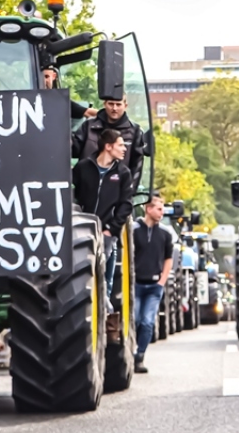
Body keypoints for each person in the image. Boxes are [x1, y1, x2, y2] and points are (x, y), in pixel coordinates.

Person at [71, 129, 132, 326]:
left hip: (106, 233)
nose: (124, 148)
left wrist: (111, 230)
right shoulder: (82, 168)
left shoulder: (123, 173)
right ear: (108, 146)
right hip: (80, 232)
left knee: (105, 277)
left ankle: (105, 318)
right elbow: (71, 195)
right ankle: (93, 316)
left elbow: (126, 205)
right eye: (121, 144)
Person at [131, 193, 174, 373]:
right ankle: (129, 352)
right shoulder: (133, 230)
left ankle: (140, 356)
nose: (162, 212)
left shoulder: (165, 233)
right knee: (135, 320)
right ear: (148, 209)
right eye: (158, 208)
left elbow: (168, 259)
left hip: (153, 287)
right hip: (135, 285)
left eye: (163, 208)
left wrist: (162, 281)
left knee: (148, 322)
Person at [73, 95, 147, 188]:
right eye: (111, 104)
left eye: (118, 104)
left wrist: (129, 194)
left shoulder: (135, 130)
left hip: (117, 190)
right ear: (104, 104)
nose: (114, 108)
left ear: (125, 105)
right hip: (86, 187)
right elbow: (74, 150)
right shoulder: (89, 125)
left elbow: (137, 166)